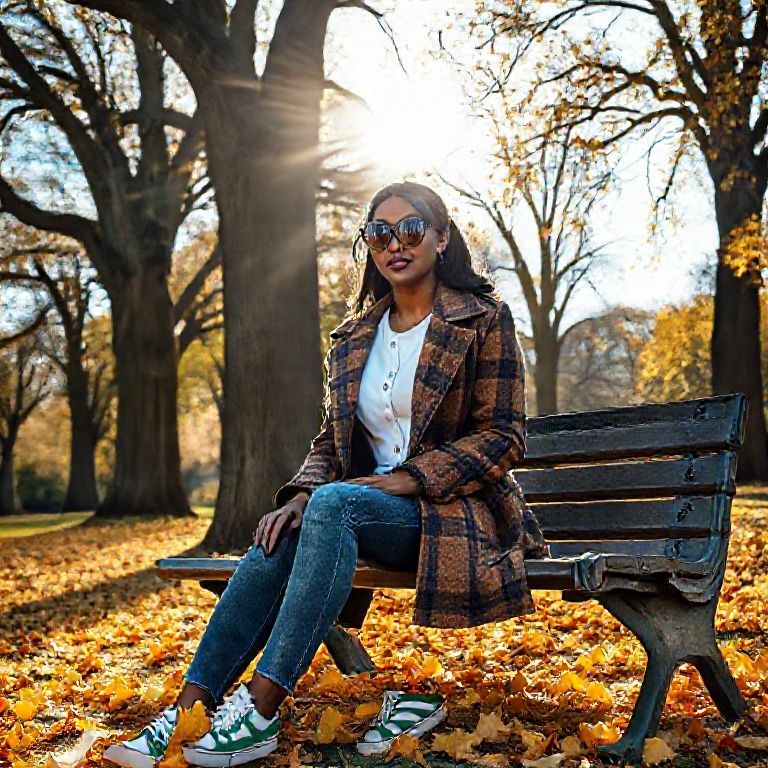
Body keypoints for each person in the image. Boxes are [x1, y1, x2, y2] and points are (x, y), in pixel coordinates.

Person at [105, 181, 547, 768]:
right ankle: (189, 711)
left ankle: (260, 710)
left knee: (335, 504)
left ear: (441, 239)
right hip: (361, 510)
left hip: (452, 513)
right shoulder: (355, 338)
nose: (395, 243)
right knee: (283, 530)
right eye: (379, 232)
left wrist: (410, 478)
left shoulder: (484, 319)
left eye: (411, 229)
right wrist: (301, 495)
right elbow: (330, 440)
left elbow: (503, 436)